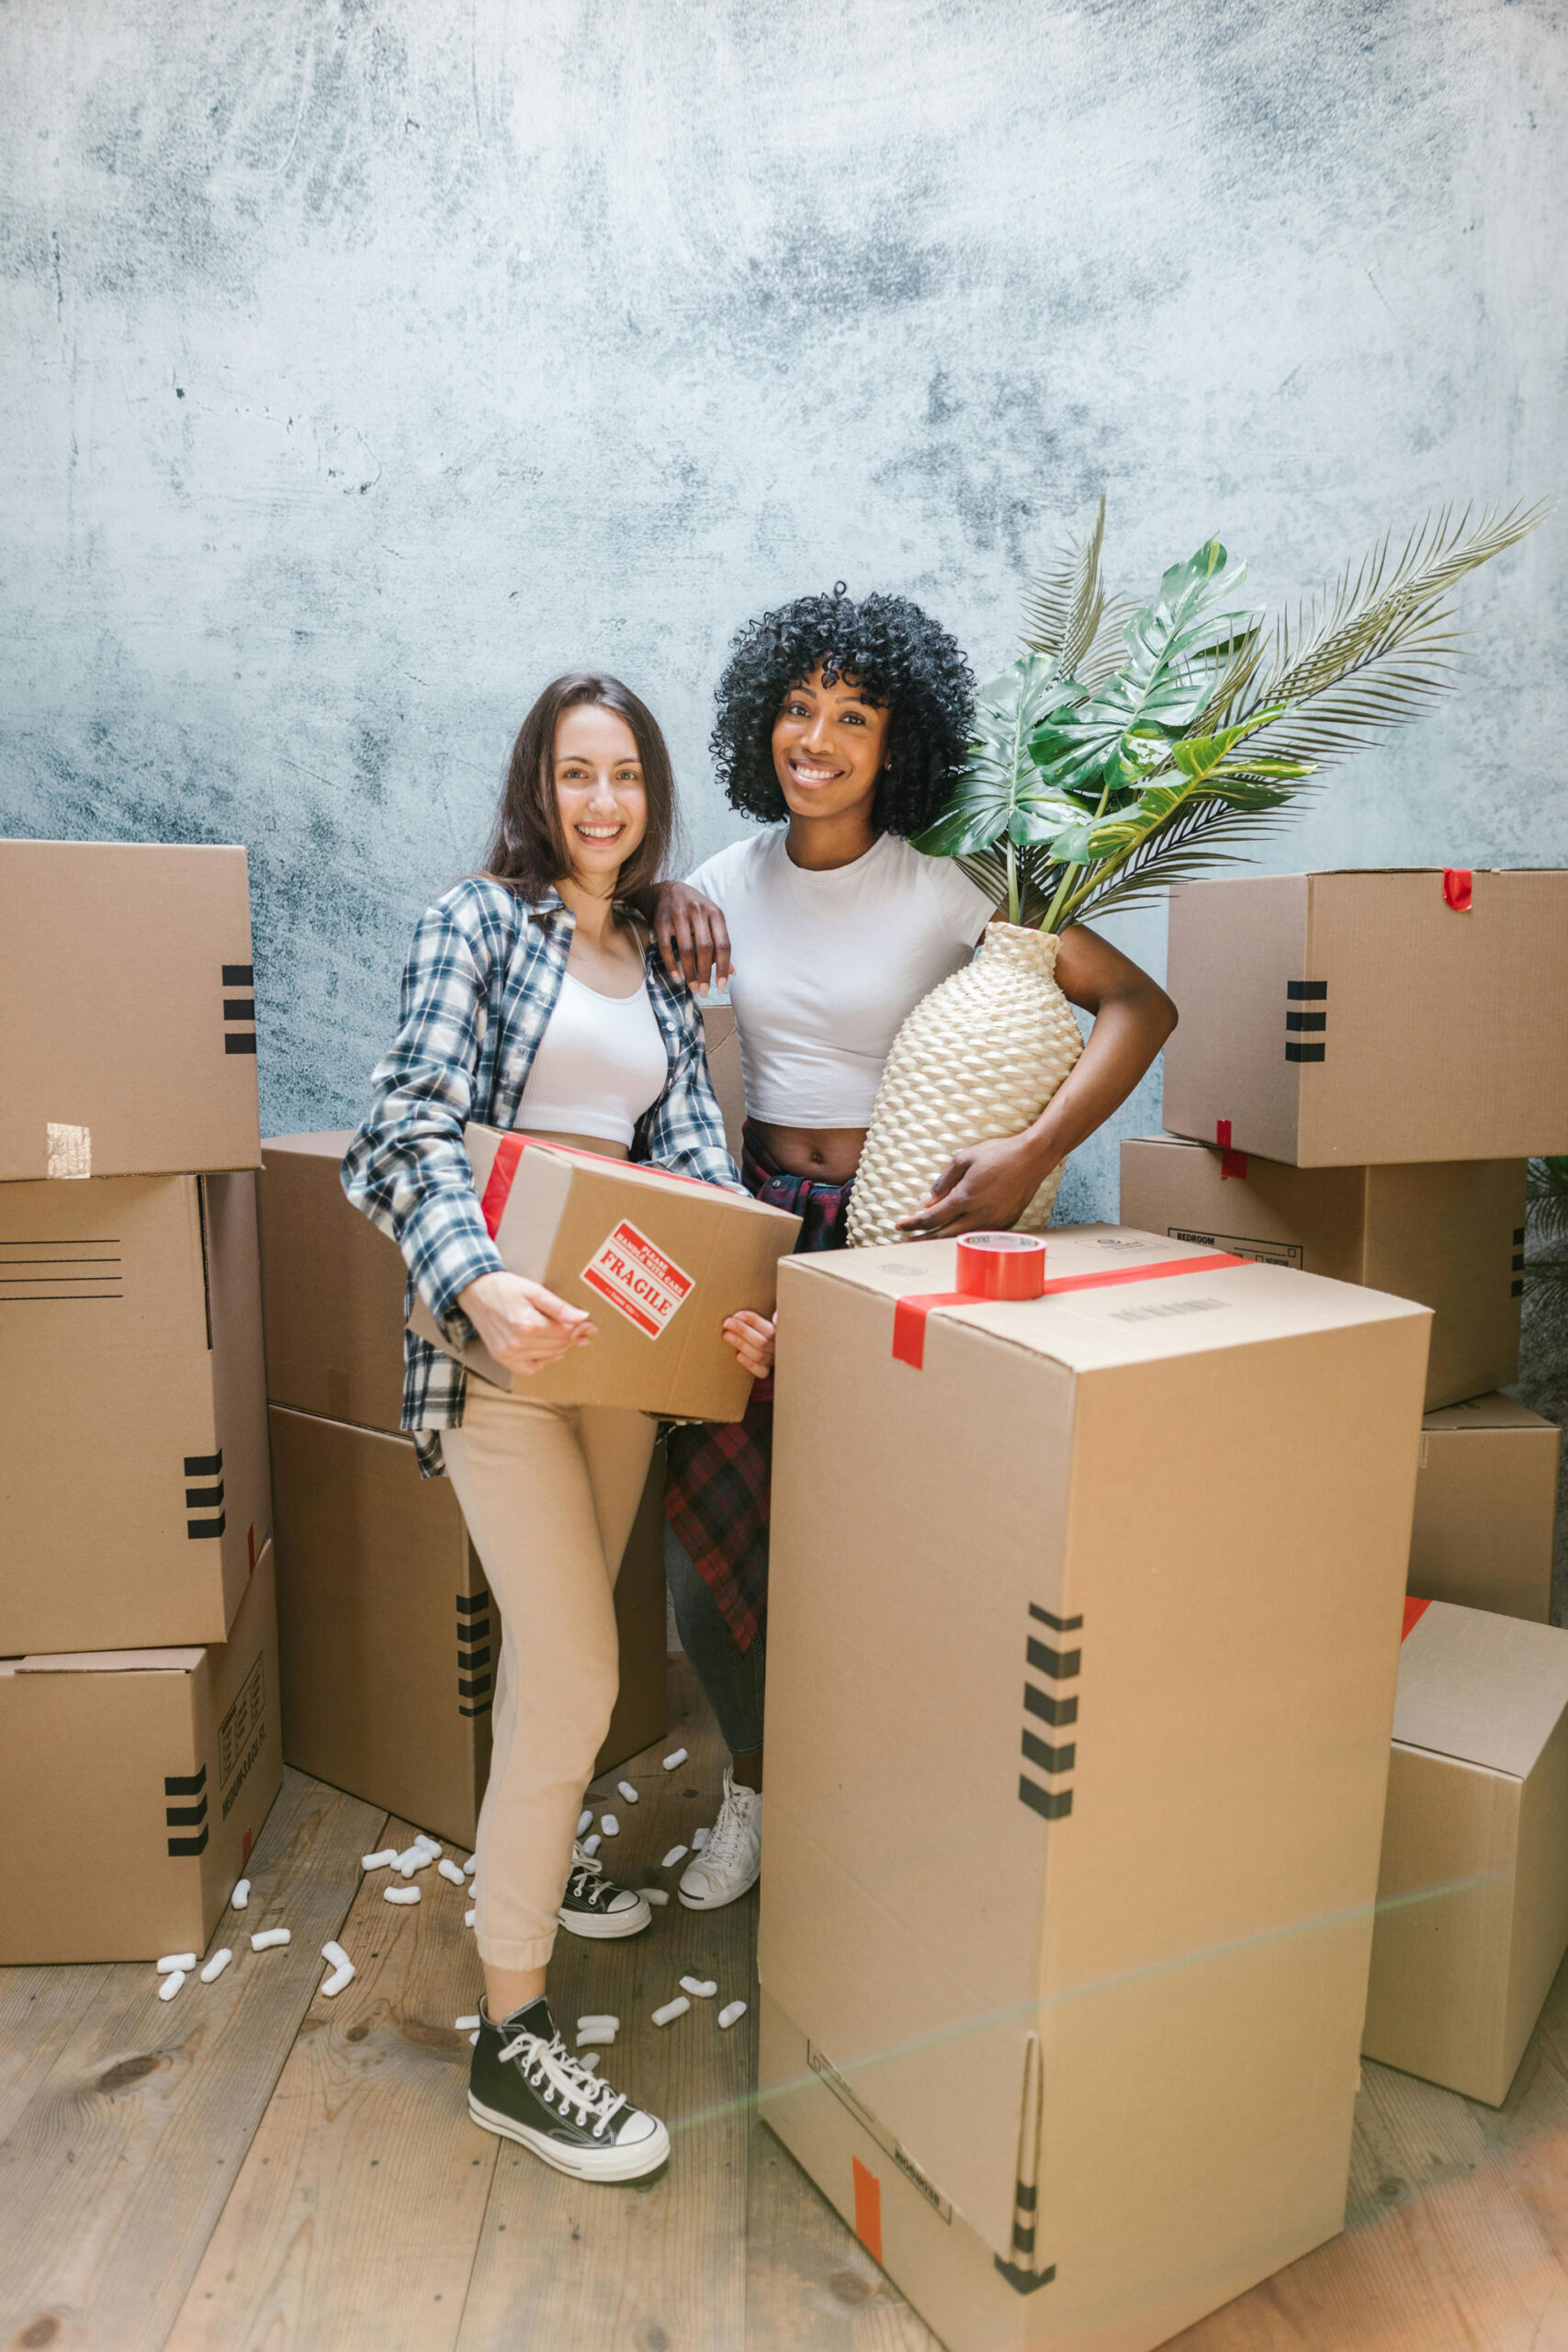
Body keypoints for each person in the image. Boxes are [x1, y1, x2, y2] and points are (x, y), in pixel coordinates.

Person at [649, 587, 1178, 1909]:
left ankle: (887, 1810)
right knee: (707, 1546)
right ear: (757, 720)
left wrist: (1030, 1154)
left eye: (854, 715)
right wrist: (652, 912)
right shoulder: (716, 884)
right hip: (757, 1228)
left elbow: (1136, 1006)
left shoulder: (956, 881)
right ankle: (759, 1790)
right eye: (795, 706)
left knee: (888, 1537)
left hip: (903, 1242)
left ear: (901, 744)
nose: (815, 738)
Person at [342, 673, 772, 2184]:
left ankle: (531, 1878)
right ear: (540, 787)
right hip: (498, 1354)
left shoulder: (654, 960)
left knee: (562, 1653)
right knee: (589, 1667)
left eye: (628, 779)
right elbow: (396, 1124)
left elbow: (695, 1163)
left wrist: (735, 1301)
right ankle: (512, 2039)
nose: (603, 804)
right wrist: (482, 1283)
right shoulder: (475, 923)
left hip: (622, 1368)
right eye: (575, 775)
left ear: (652, 799)